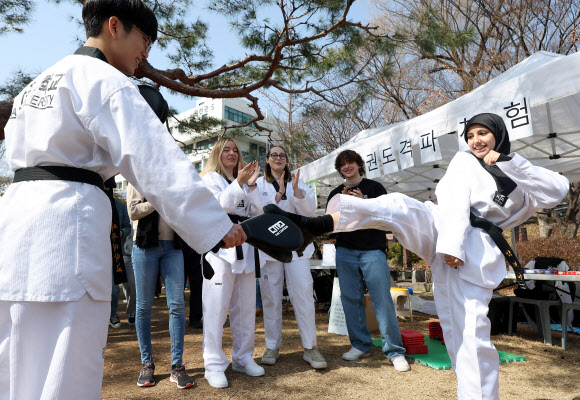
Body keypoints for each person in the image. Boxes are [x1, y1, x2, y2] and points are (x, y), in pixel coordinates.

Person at [0, 1, 245, 398]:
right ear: (115, 26)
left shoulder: (37, 84)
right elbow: (159, 165)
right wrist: (218, 227)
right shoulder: (104, 80)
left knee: (12, 368)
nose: (146, 53)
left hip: (14, 223)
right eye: (144, 39)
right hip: (66, 226)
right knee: (66, 368)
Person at [265, 113, 570, 400]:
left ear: (499, 135)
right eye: (471, 135)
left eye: (483, 133)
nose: (476, 140)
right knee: (397, 205)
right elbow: (452, 196)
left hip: (476, 250)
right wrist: (451, 245)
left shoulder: (522, 177)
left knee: (466, 335)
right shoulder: (465, 161)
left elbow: (557, 189)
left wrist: (507, 161)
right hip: (443, 228)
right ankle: (315, 225)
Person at [327, 150, 409, 372]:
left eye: (350, 162)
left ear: (359, 164)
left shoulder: (375, 188)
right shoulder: (336, 193)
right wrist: (342, 205)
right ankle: (360, 345)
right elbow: (331, 224)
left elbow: (386, 217)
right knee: (350, 299)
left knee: (381, 298)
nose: (347, 167)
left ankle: (394, 351)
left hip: (372, 250)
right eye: (342, 164)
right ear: (339, 169)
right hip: (344, 250)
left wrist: (364, 203)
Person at [255, 146, 327, 369]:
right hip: (270, 247)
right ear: (267, 160)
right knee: (271, 297)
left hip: (296, 246)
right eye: (274, 155)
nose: (278, 158)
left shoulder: (299, 181)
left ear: (287, 160)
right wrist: (278, 195)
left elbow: (308, 211)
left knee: (303, 293)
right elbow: (259, 212)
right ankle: (272, 346)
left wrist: (295, 191)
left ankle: (310, 347)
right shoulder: (258, 184)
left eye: (282, 155)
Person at [200, 138, 264, 389]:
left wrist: (251, 184)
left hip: (245, 247)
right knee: (216, 308)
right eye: (225, 150)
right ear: (217, 153)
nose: (231, 153)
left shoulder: (245, 183)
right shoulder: (209, 179)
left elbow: (258, 211)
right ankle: (214, 364)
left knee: (245, 308)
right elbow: (220, 206)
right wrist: (238, 183)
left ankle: (243, 356)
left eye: (235, 150)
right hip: (219, 249)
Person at [127, 180, 192, 388]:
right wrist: (158, 201)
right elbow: (133, 211)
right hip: (145, 246)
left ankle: (177, 366)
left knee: (178, 306)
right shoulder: (137, 176)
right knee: (143, 306)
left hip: (174, 246)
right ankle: (146, 364)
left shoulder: (175, 178)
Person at [110, 189, 132, 329]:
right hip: (95, 252)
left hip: (116, 252)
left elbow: (128, 227)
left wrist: (122, 232)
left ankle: (112, 314)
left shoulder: (120, 206)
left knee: (114, 289)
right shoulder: (95, 204)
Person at [182, 245, 204, 329]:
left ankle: (195, 319)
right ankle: (178, 318)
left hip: (197, 249)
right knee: (178, 287)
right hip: (179, 248)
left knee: (198, 286)